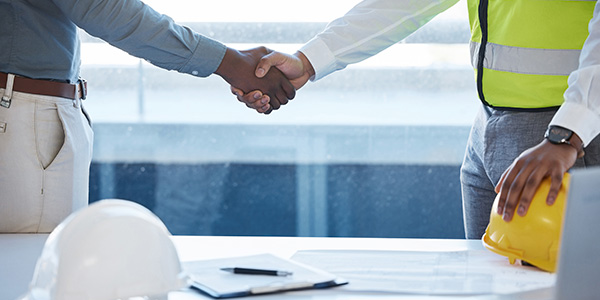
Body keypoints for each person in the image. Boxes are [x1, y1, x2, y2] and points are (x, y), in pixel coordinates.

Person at [234, 0, 600, 239]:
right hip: (489, 128)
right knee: (493, 283)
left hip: (561, 139)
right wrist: (309, 59)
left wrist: (568, 134)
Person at [0, 0, 295, 233]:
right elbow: (101, 8)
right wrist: (229, 62)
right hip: (20, 112)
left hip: (26, 108)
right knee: (33, 267)